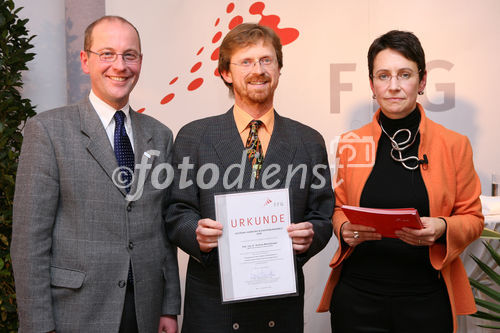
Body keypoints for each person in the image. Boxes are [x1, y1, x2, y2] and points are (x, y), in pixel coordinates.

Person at [11, 16, 180, 333]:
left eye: (129, 55)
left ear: (140, 62)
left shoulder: (160, 136)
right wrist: (38, 326)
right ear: (85, 60)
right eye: (107, 54)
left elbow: (162, 231)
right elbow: (28, 243)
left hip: (144, 312)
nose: (120, 65)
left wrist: (169, 307)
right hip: (74, 313)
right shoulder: (47, 131)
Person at [166, 23, 334, 332]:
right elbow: (176, 210)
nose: (258, 70)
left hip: (280, 308)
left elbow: (322, 213)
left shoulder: (309, 141)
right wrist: (196, 234)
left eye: (266, 60)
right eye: (246, 62)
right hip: (213, 306)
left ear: (279, 69)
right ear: (226, 73)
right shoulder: (194, 136)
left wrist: (310, 235)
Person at [317, 30, 484, 333]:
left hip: (426, 298)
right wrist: (344, 228)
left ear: (421, 82)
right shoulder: (350, 144)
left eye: (404, 74)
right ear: (372, 84)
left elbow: (473, 219)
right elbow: (338, 207)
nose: (393, 86)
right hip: (357, 298)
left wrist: (443, 227)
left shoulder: (454, 145)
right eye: (383, 76)